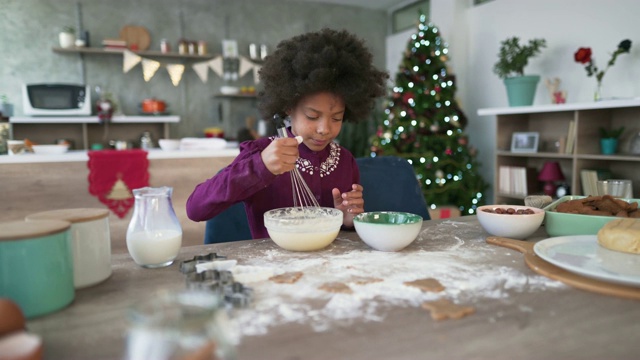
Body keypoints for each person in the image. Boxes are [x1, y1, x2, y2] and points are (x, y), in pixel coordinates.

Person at [186, 28, 388, 239]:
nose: (325, 129)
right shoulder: (261, 154)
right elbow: (196, 209)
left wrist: (348, 221)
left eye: (336, 118)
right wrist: (260, 166)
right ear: (288, 108)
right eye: (312, 116)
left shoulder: (345, 162)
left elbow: (343, 233)